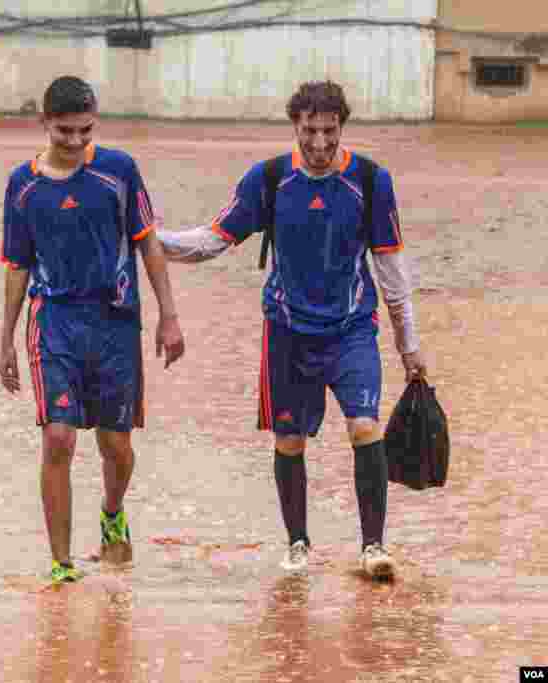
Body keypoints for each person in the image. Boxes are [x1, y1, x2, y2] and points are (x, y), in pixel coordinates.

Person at [158, 81, 428, 579]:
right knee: (290, 440)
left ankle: (373, 548)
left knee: (365, 427)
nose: (320, 145)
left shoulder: (371, 181)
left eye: (330, 132)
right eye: (310, 132)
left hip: (352, 329)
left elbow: (392, 273)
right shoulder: (269, 180)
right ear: (295, 127)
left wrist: (409, 346)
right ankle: (298, 544)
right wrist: (149, 239)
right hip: (286, 332)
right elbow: (211, 241)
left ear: (342, 127)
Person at [0, 75, 185, 584]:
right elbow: (17, 265)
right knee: (58, 438)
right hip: (53, 322)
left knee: (116, 446)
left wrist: (169, 316)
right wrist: (6, 341)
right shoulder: (23, 185)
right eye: (65, 132)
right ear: (44, 124)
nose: (77, 142)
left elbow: (148, 244)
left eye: (85, 130)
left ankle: (112, 512)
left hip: (116, 324)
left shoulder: (119, 171)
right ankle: (61, 563)